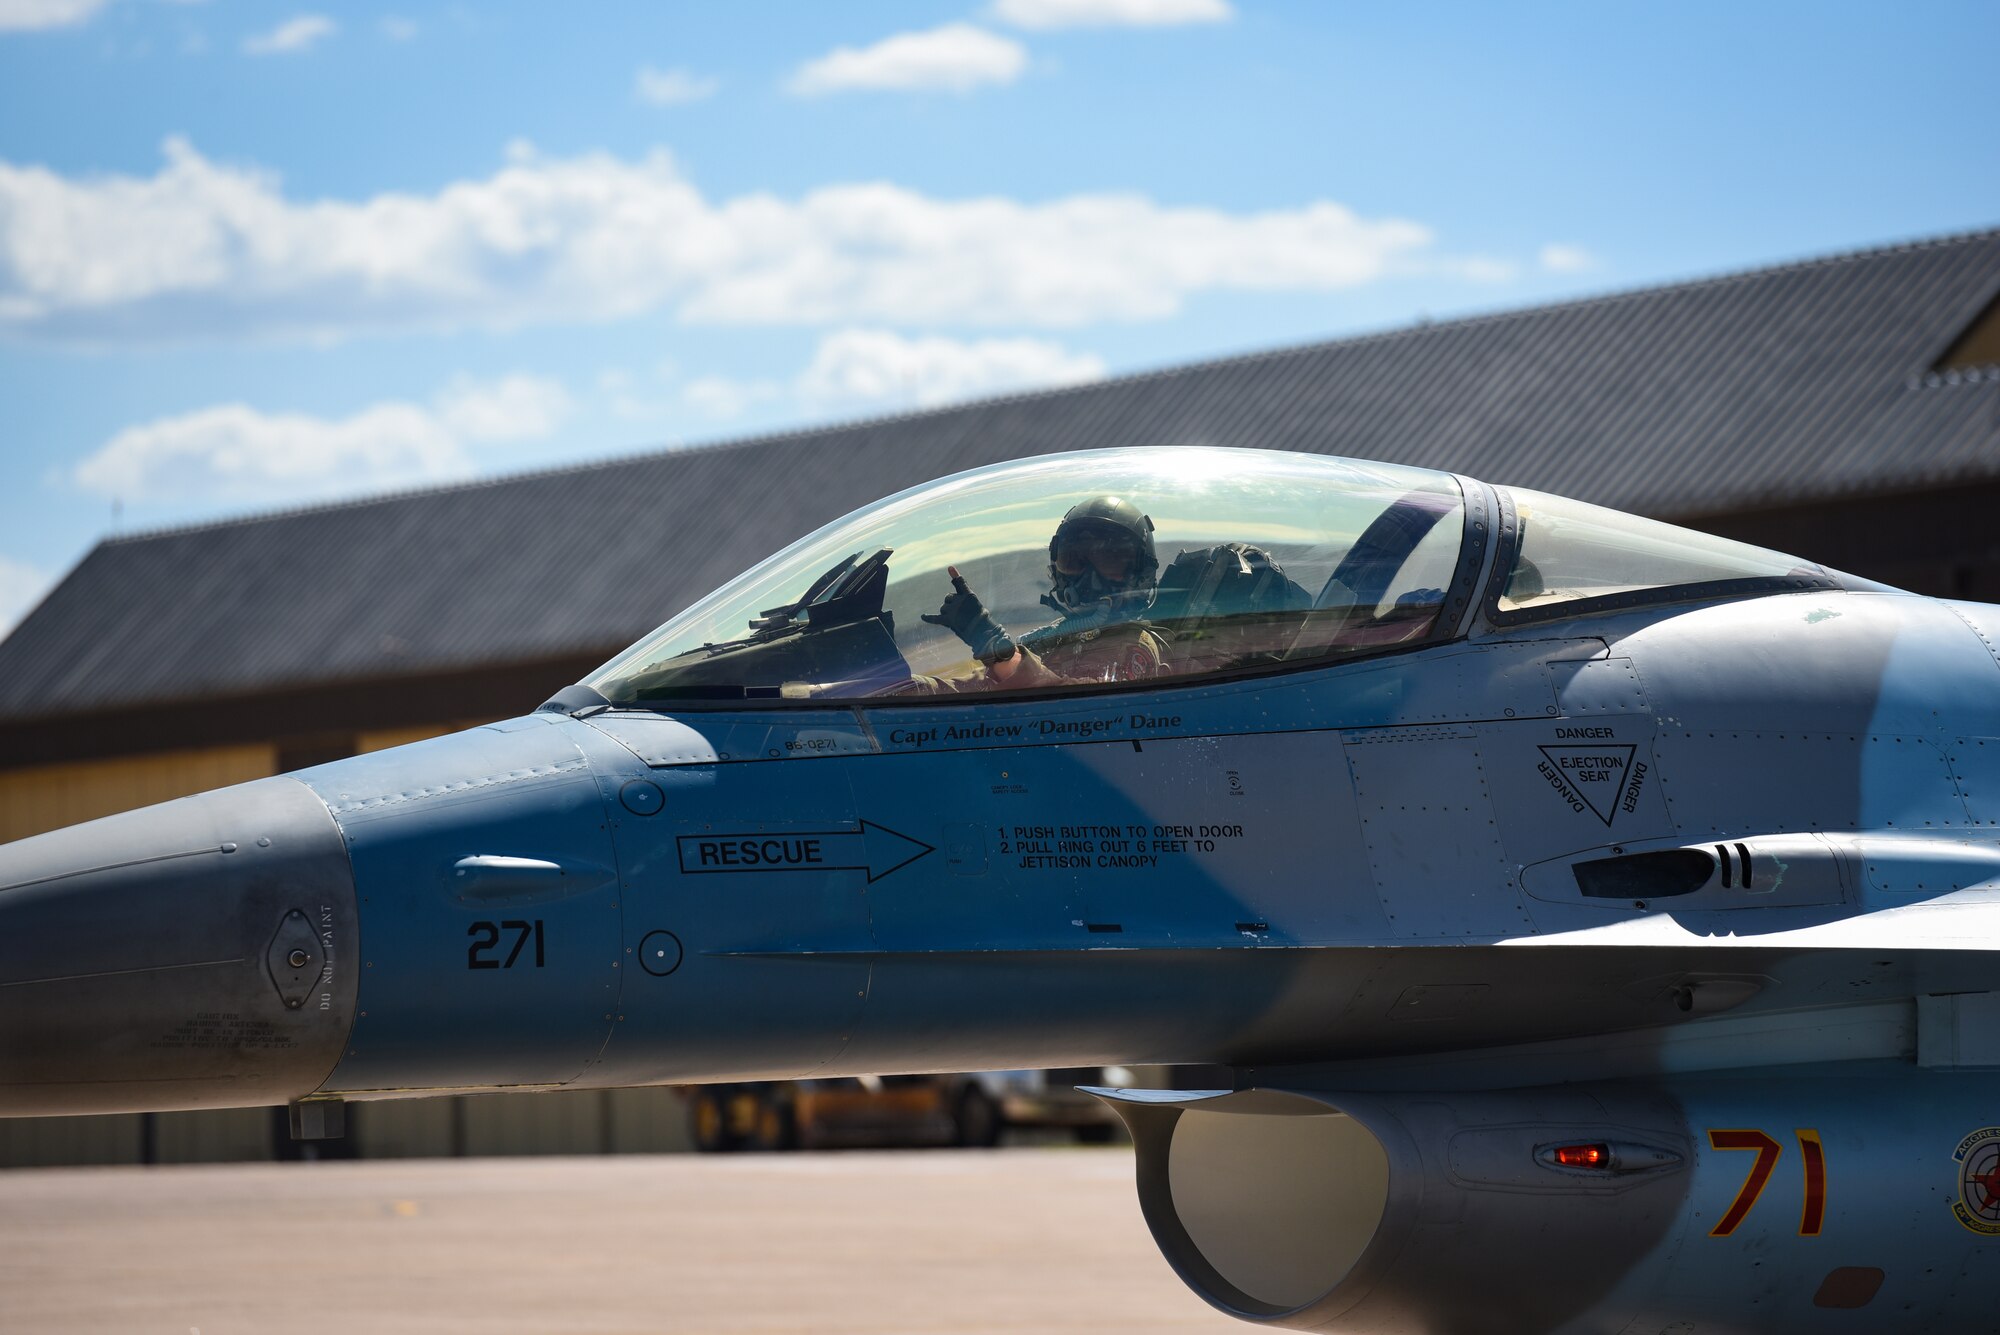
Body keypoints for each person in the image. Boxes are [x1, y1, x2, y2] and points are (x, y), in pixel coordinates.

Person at [913, 495, 1170, 692]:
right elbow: (985, 686)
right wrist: (904, 686)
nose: (1087, 576)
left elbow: (1084, 710)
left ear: (1140, 572)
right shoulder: (1059, 635)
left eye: (1109, 560)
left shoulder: (1133, 643)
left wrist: (993, 645)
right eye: (1074, 560)